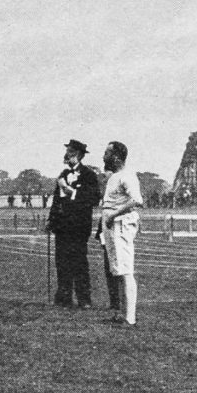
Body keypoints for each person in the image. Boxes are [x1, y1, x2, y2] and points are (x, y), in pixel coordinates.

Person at [46, 139, 101, 309]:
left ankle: (84, 299)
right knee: (62, 262)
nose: (66, 155)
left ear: (78, 155)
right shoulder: (63, 174)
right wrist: (51, 219)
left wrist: (71, 191)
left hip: (78, 226)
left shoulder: (89, 175)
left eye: (70, 152)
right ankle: (64, 297)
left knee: (79, 262)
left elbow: (93, 199)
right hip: (62, 226)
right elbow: (56, 200)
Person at [101, 141, 143, 327]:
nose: (104, 157)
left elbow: (137, 200)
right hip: (111, 225)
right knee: (117, 269)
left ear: (116, 157)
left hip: (121, 225)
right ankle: (121, 313)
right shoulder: (114, 177)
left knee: (125, 270)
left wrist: (115, 214)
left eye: (107, 153)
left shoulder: (127, 176)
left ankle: (130, 318)